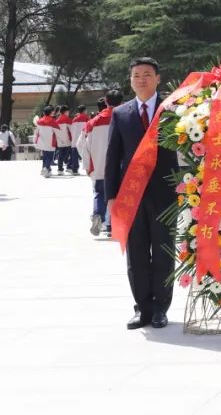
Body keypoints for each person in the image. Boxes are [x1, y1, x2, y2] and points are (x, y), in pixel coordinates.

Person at [105, 57, 179, 329]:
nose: (141, 79)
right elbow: (112, 158)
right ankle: (141, 307)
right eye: (136, 75)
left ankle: (161, 307)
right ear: (130, 80)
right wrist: (110, 196)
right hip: (131, 195)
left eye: (147, 74)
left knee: (163, 251)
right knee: (135, 253)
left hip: (165, 194)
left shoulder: (173, 110)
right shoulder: (120, 113)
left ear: (158, 79)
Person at [78, 90, 122, 237]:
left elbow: (81, 145)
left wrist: (87, 165)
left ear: (107, 102)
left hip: (99, 165)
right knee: (117, 195)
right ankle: (111, 225)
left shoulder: (92, 123)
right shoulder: (125, 118)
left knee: (99, 193)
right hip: (120, 166)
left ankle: (98, 214)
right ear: (121, 102)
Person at [33, 105, 59, 177]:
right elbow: (57, 131)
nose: (54, 112)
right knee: (50, 156)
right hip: (50, 141)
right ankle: (46, 168)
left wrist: (35, 140)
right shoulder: (53, 121)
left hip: (42, 141)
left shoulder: (39, 121)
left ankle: (44, 169)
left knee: (45, 156)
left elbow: (37, 131)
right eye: (53, 111)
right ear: (50, 112)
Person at [69, 105, 90, 173]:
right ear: (84, 110)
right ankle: (88, 168)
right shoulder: (87, 118)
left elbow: (71, 130)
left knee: (74, 156)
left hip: (75, 140)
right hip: (83, 140)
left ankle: (74, 170)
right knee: (85, 154)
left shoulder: (74, 119)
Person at [55, 105, 73, 173]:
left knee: (60, 155)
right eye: (68, 112)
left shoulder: (57, 120)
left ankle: (60, 169)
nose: (68, 113)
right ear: (65, 112)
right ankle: (69, 166)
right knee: (71, 153)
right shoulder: (68, 119)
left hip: (60, 141)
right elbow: (71, 130)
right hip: (67, 140)